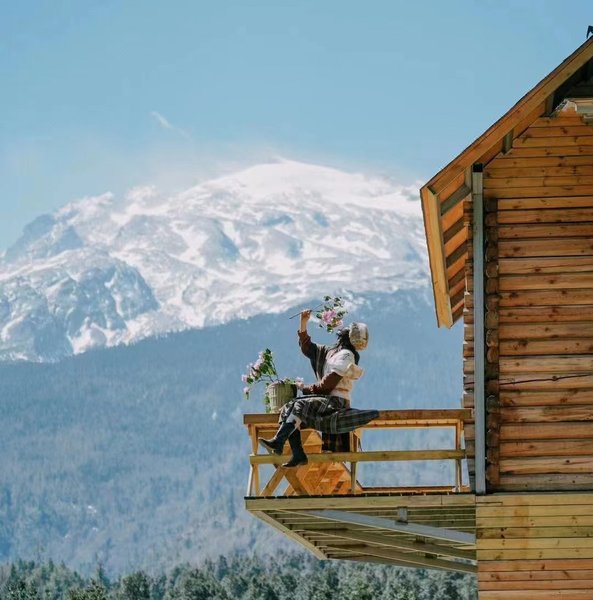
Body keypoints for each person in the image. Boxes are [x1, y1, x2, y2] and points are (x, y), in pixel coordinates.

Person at [259, 309, 378, 467]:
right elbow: (308, 348)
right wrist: (303, 322)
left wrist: (305, 388)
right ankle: (297, 453)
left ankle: (278, 442)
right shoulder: (330, 352)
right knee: (289, 407)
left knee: (299, 405)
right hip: (325, 400)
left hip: (336, 402)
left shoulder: (346, 356)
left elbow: (326, 386)